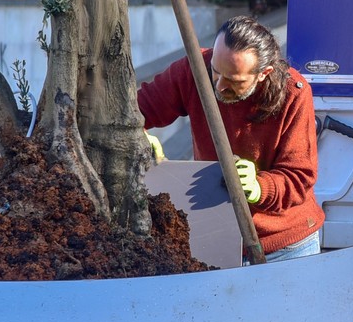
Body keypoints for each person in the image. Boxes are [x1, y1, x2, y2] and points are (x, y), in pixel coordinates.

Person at [137, 15, 325, 261]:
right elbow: (136, 110)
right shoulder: (195, 69)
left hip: (285, 246)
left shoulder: (294, 94)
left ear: (263, 73)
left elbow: (299, 177)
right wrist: (137, 135)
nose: (219, 85)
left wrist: (260, 187)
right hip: (215, 235)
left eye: (234, 81)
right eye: (216, 71)